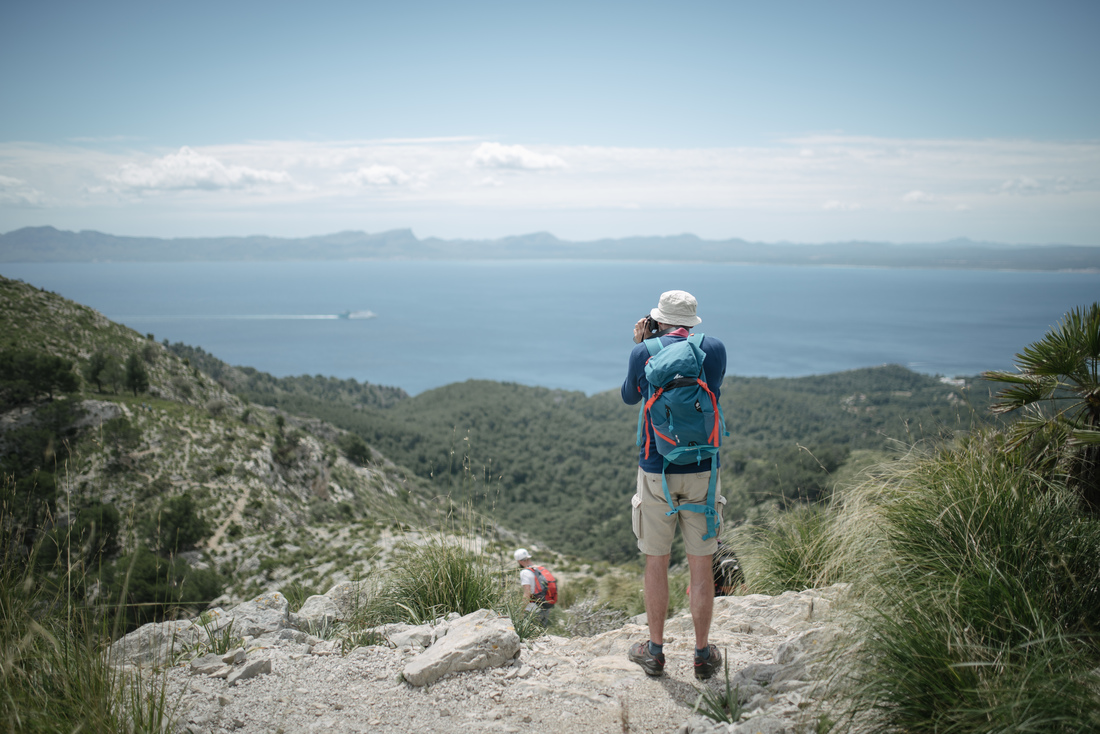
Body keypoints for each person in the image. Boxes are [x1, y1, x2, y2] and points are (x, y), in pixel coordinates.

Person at [622, 290, 727, 680]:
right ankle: (702, 654)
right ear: (693, 321)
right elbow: (712, 392)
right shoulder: (713, 348)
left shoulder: (643, 351)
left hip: (656, 469)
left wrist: (642, 345)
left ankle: (655, 651)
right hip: (703, 468)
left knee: (656, 559)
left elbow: (629, 396)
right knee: (701, 562)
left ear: (658, 319)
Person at [514, 548, 554, 628]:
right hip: (545, 608)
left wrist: (521, 610)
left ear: (520, 561)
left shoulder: (525, 573)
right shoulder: (539, 569)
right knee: (541, 635)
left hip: (533, 610)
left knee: (531, 637)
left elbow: (527, 593)